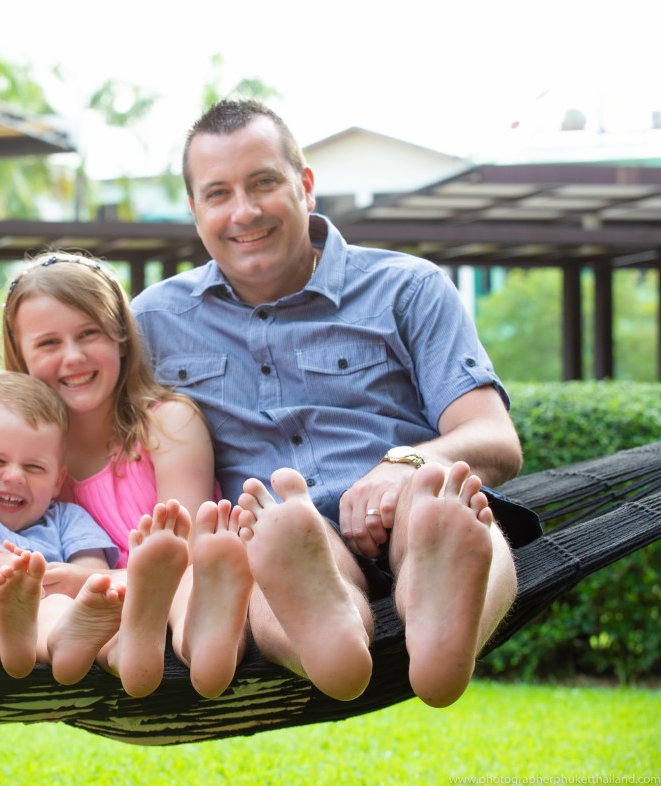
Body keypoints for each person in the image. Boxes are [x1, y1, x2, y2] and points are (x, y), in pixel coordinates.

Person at [130, 99, 538, 708]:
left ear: (306, 185)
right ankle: (334, 632)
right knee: (273, 545)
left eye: (263, 182)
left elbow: (494, 439)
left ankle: (437, 631)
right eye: (219, 194)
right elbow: (69, 421)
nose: (244, 211)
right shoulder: (154, 322)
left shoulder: (408, 288)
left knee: (446, 513)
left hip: (409, 512)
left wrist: (400, 466)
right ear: (195, 211)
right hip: (282, 536)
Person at [1, 253, 255, 698]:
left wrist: (90, 580)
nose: (73, 357)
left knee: (192, 580)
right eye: (48, 344)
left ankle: (203, 646)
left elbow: (189, 549)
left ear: (120, 337)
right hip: (89, 608)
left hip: (182, 584)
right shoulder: (22, 460)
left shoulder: (167, 424)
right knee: (67, 609)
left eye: (89, 334)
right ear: (20, 356)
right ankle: (127, 649)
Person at [0, 369, 125, 683]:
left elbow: (96, 579)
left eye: (34, 467)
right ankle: (11, 639)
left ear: (58, 480)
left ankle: (119, 654)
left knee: (68, 607)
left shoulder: (67, 519)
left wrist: (62, 579)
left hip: (59, 616)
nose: (14, 477)